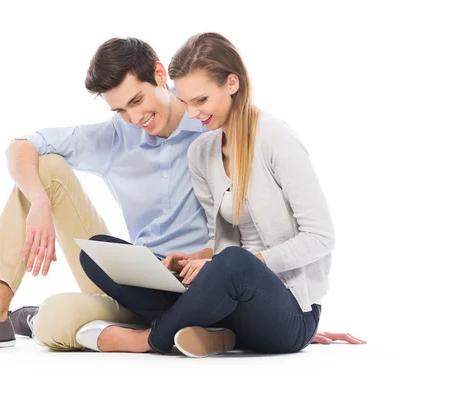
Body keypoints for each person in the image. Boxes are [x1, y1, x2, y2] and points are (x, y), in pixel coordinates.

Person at [0, 37, 363, 351]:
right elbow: (21, 145)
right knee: (72, 212)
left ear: (159, 75)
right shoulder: (181, 145)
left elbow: (288, 239)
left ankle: (134, 336)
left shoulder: (240, 129)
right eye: (120, 109)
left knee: (56, 321)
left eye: (137, 101)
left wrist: (285, 305)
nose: (134, 118)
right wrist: (40, 201)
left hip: (229, 287)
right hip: (160, 280)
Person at [75, 33, 366, 358]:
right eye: (185, 102)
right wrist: (196, 259)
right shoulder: (203, 151)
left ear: (231, 83)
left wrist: (245, 262)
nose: (194, 113)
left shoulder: (274, 138)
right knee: (100, 251)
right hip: (229, 294)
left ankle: (150, 340)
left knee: (235, 263)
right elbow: (221, 242)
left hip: (290, 311)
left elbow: (321, 237)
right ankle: (215, 333)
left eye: (201, 100)